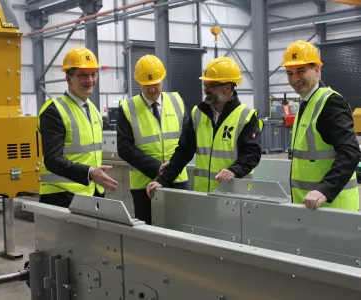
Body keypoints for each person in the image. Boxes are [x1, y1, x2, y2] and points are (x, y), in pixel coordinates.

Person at [147, 57, 263, 197]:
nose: (206, 89)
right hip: (204, 197)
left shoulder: (246, 117)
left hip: (235, 197)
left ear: (228, 88)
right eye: (205, 84)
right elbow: (184, 151)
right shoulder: (198, 114)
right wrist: (163, 180)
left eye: (211, 85)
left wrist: (234, 170)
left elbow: (252, 154)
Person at [282, 40, 360, 211]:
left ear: (317, 70)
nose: (295, 79)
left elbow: (350, 151)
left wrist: (325, 189)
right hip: (310, 209)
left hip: (334, 208)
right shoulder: (305, 104)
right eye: (289, 73)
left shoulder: (330, 102)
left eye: (301, 71)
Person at [38, 46, 118, 208]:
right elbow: (52, 160)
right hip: (61, 195)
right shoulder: (54, 110)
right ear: (68, 78)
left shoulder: (94, 110)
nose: (89, 80)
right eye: (82, 75)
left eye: (93, 74)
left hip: (92, 192)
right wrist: (89, 173)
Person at [116, 54, 189, 224]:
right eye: (147, 85)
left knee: (181, 229)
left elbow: (187, 140)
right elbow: (124, 147)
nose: (152, 89)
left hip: (177, 179)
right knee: (149, 232)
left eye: (155, 84)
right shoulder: (127, 108)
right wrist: (157, 168)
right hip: (144, 184)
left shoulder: (177, 100)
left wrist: (172, 167)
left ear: (162, 79)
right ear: (139, 82)